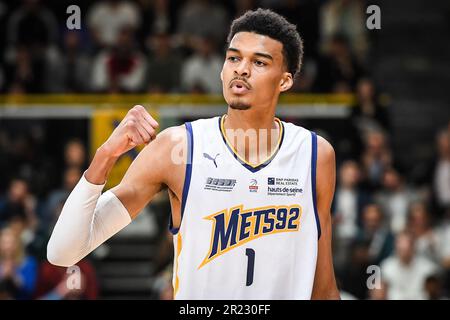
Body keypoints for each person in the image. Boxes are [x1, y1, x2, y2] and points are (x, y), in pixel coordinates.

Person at [47, 9, 340, 300]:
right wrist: (106, 156)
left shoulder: (315, 155)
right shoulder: (179, 147)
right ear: (222, 69)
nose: (242, 69)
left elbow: (323, 288)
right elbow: (63, 252)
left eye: (259, 62)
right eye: (234, 58)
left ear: (285, 81)